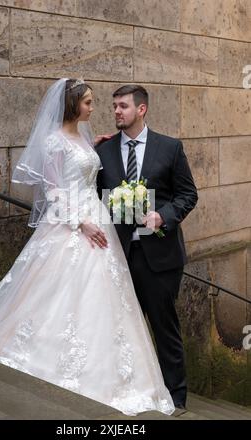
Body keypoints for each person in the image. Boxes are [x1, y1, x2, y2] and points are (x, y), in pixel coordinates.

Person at [0, 78, 175, 417]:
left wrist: (96, 146)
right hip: (74, 224)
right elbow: (53, 191)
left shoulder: (87, 139)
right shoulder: (54, 141)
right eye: (88, 102)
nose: (94, 107)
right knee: (55, 293)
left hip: (97, 220)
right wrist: (79, 222)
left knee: (105, 294)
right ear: (73, 105)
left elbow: (90, 168)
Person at [96, 84, 198, 409]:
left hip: (160, 258)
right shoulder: (105, 151)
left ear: (142, 109)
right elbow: (92, 195)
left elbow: (188, 195)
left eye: (123, 106)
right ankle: (130, 394)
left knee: (164, 329)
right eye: (114, 106)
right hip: (119, 257)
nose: (116, 112)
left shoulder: (169, 148)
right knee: (123, 330)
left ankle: (176, 399)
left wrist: (162, 216)